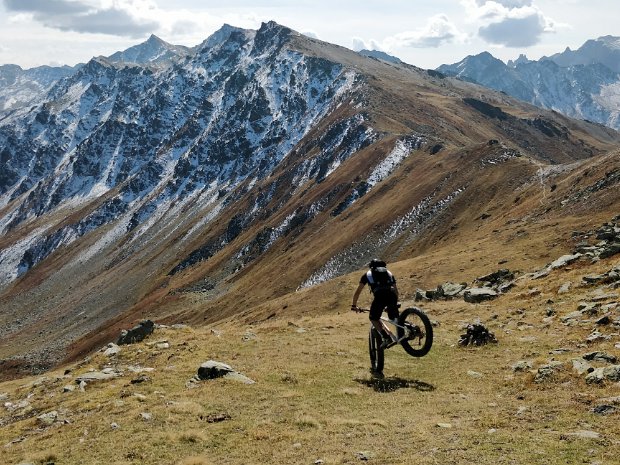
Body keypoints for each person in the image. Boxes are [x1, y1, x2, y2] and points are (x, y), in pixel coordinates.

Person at [351, 259, 399, 349]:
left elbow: (358, 292)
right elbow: (396, 290)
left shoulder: (367, 275)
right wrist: (393, 303)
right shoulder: (388, 273)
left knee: (373, 318)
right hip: (392, 295)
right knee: (394, 318)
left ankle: (386, 337)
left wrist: (354, 305)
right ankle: (407, 331)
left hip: (380, 296)